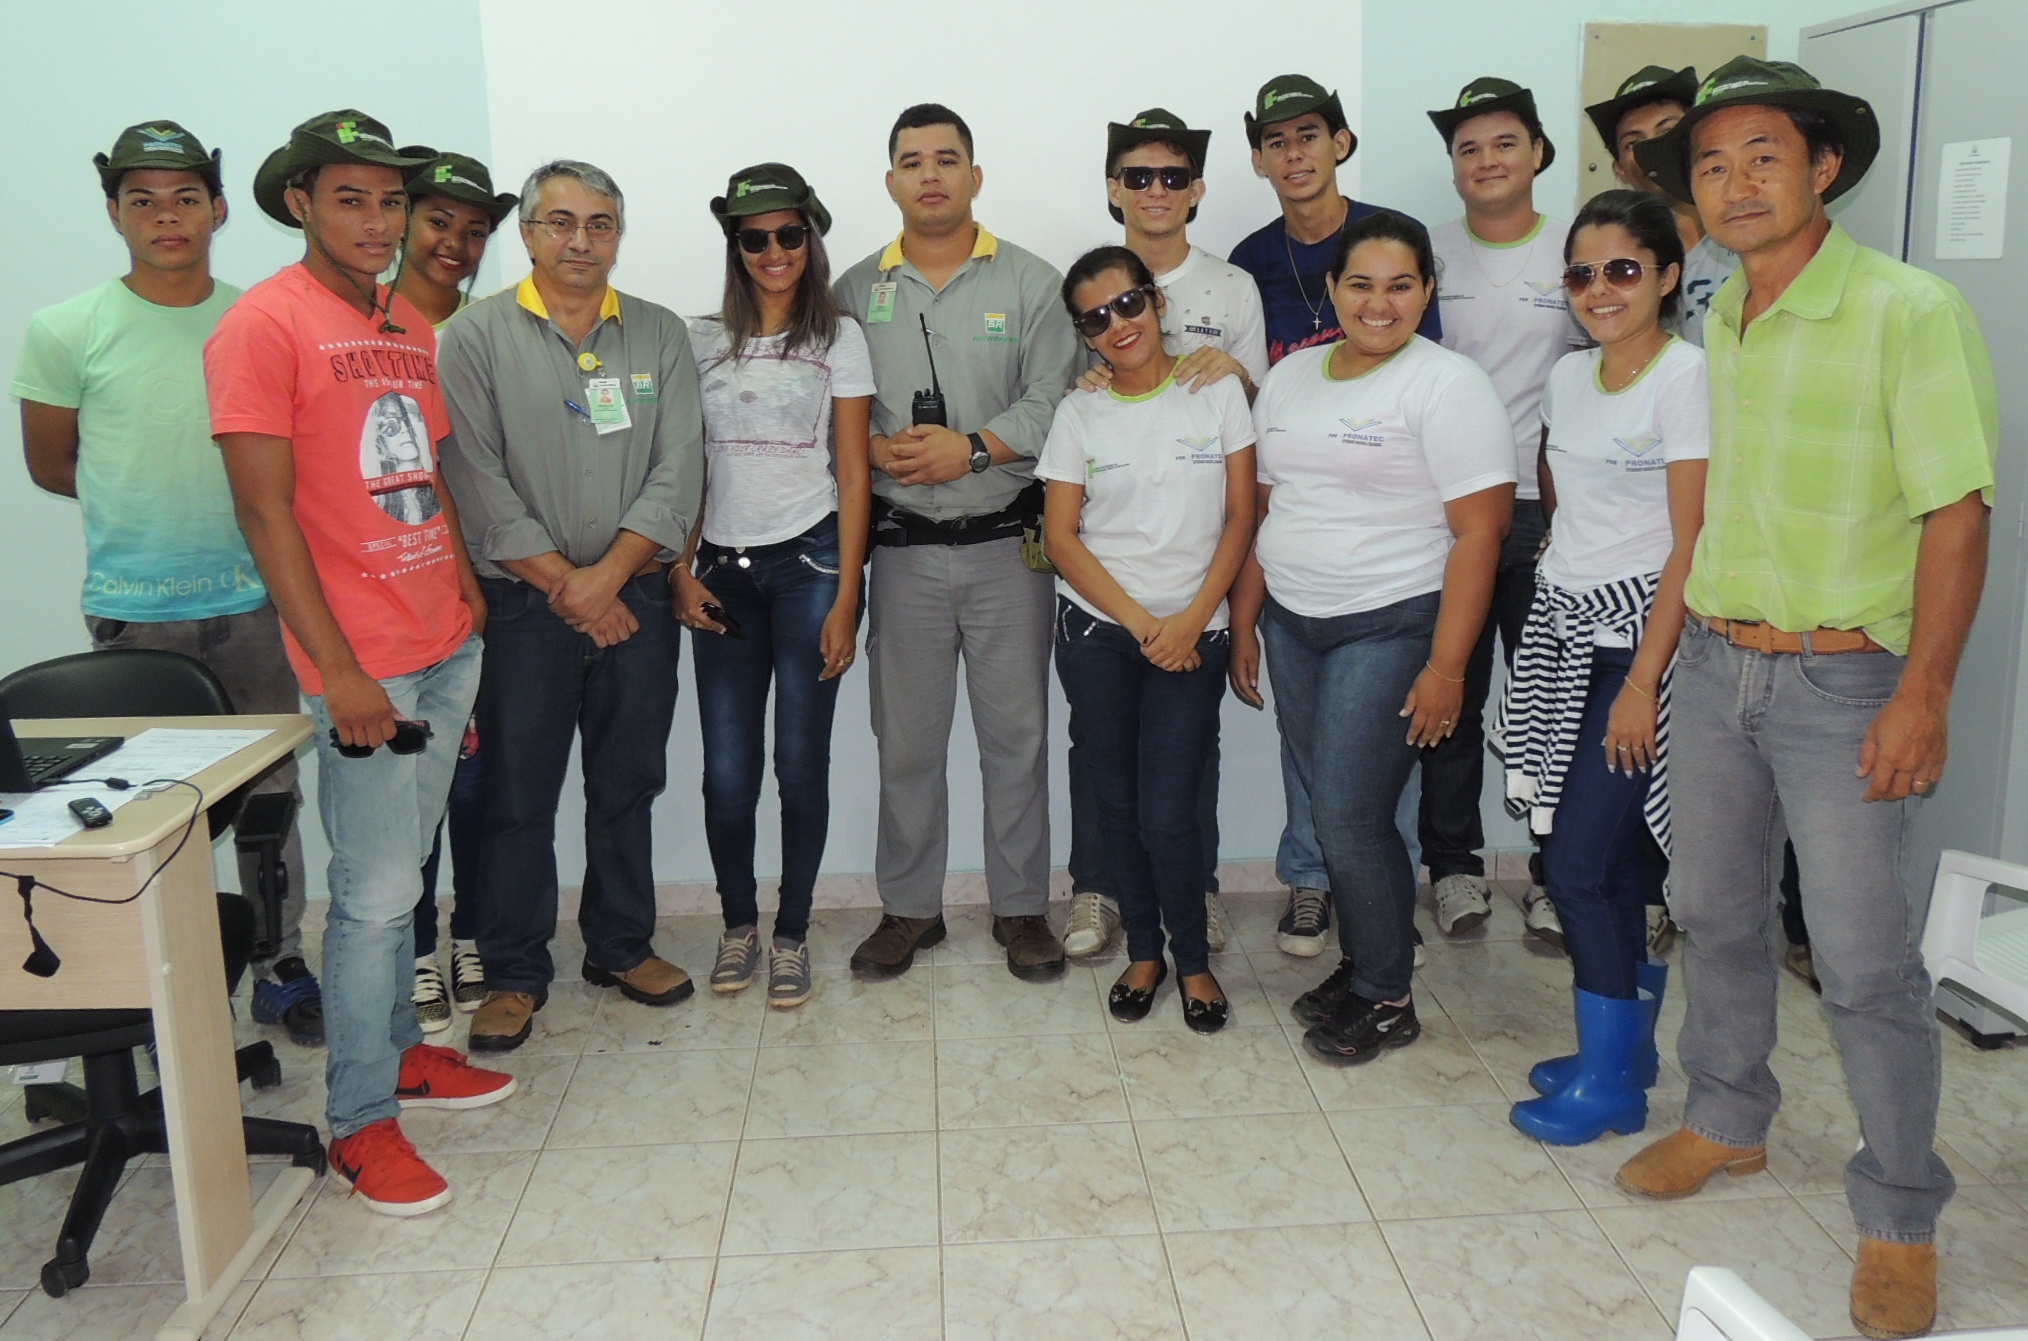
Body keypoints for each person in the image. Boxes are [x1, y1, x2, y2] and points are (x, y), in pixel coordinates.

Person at [1617, 59, 1998, 1340]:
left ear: (1824, 165)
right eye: (1712, 166)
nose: (1736, 184)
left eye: (1764, 156)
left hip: (1847, 679)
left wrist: (1925, 694)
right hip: (1721, 663)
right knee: (1712, 912)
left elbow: (1958, 511)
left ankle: (1899, 1211)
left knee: (1863, 963)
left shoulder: (1908, 308)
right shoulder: (1724, 312)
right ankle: (1726, 1119)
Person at [207, 109, 514, 1216]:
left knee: (408, 869)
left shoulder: (404, 326)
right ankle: (358, 1123)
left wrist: (467, 598)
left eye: (391, 201)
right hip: (364, 664)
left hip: (441, 638)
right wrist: (335, 670)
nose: (378, 222)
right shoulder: (262, 326)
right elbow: (265, 511)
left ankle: (400, 1057)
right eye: (352, 198)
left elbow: (419, 476)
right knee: (375, 898)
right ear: (298, 202)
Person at [13, 121, 325, 1050]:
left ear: (219, 209)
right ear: (113, 213)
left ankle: (278, 967)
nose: (166, 216)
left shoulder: (257, 319)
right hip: (135, 619)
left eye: (186, 197)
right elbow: (54, 465)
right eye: (141, 199)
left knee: (269, 802)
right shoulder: (66, 329)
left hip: (254, 602)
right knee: (144, 817)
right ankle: (152, 974)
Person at [1232, 209, 1514, 1066]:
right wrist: (1245, 619)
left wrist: (1447, 668)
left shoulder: (1448, 384)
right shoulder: (1290, 378)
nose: (1379, 303)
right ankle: (1366, 961)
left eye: (1401, 285)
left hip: (1393, 622)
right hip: (1295, 621)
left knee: (1352, 814)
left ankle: (1389, 994)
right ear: (1331, 290)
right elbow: (1267, 509)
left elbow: (1480, 535)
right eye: (1360, 283)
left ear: (1427, 291)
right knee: (1330, 804)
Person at [437, 160, 706, 1053]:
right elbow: (476, 481)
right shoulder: (475, 338)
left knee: (628, 782)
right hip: (526, 606)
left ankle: (621, 945)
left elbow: (680, 469)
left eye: (598, 223)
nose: (579, 240)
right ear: (526, 232)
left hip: (634, 598)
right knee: (519, 793)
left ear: (618, 235)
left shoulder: (660, 336)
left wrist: (608, 578)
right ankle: (514, 969)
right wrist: (568, 585)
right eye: (559, 222)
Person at [833, 104, 1078, 983]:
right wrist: (873, 449)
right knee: (905, 740)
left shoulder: (1032, 282)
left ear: (976, 176)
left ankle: (1020, 909)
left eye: (947, 159)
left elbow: (1059, 402)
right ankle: (909, 908)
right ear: (891, 180)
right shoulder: (854, 291)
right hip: (899, 553)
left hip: (1005, 549)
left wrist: (970, 448)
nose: (929, 174)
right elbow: (827, 417)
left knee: (1016, 737)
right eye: (911, 161)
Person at [1499, 190, 1708, 1145]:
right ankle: (1623, 1054)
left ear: (1668, 275)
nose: (1598, 290)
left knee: (1576, 865)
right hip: (1566, 633)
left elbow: (1691, 539)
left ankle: (1612, 1087)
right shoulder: (1570, 379)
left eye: (1623, 269)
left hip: (1642, 645)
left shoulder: (1688, 379)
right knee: (1617, 861)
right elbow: (1566, 504)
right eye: (1580, 273)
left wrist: (1641, 682)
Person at [1228, 75, 1444, 961]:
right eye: (1276, 140)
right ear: (1257, 158)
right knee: (1310, 734)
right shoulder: (1248, 260)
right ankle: (1312, 879)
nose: (1295, 154)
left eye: (1309, 134)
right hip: (1297, 526)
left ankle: (1377, 896)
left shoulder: (1389, 241)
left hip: (1392, 549)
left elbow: (1427, 385)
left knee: (1372, 745)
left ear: (1341, 142)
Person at [1060, 109, 1268, 964]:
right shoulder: (1087, 313)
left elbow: (1258, 416)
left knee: (1186, 764)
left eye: (1170, 177)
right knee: (1102, 757)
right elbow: (1070, 485)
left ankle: (1197, 894)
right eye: (1137, 177)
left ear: (1195, 190)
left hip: (1198, 591)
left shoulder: (1233, 287)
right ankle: (1103, 889)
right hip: (1108, 605)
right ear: (1114, 189)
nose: (1154, 191)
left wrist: (1207, 613)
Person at [1039, 245, 1256, 1033]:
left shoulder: (1216, 390)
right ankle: (1145, 952)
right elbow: (1062, 537)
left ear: (1157, 303)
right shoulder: (1079, 410)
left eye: (1129, 304)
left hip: (1193, 631)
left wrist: (1194, 619)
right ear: (1083, 333)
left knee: (1171, 811)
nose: (1117, 325)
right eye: (1095, 318)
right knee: (1118, 802)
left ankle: (1192, 960)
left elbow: (1241, 515)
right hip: (1101, 632)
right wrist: (1141, 625)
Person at [674, 163, 873, 1011]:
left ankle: (790, 932)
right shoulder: (695, 338)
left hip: (808, 567)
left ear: (811, 238)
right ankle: (737, 924)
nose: (773, 251)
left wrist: (848, 597)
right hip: (718, 572)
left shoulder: (841, 339)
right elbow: (683, 468)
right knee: (727, 773)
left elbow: (857, 478)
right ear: (735, 245)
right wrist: (678, 571)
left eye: (789, 234)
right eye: (754, 238)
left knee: (800, 763)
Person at [1421, 77, 1588, 947]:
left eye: (1503, 143)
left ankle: (1557, 873)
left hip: (1544, 511)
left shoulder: (1579, 251)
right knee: (1449, 691)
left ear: (1537, 153)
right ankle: (1453, 867)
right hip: (1444, 513)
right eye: (1468, 148)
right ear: (1453, 167)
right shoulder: (1428, 254)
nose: (1486, 160)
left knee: (1547, 702)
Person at [391, 148, 517, 1032]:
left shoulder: (485, 331)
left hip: (484, 593)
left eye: (475, 231)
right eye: (439, 222)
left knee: (478, 783)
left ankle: (471, 931)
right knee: (412, 791)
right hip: (402, 601)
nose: (456, 243)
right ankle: (417, 950)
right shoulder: (370, 326)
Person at [1584, 65, 1739, 347]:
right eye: (1634, 142)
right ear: (1620, 169)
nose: (1652, 149)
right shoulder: (1618, 261)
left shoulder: (1746, 233)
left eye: (1667, 130)